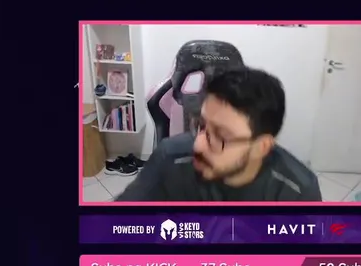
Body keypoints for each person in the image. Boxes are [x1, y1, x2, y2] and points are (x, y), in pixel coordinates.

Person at [117, 67, 320, 202]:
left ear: (262, 147)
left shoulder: (297, 190)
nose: (198, 145)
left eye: (221, 138)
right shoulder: (171, 157)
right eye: (202, 125)